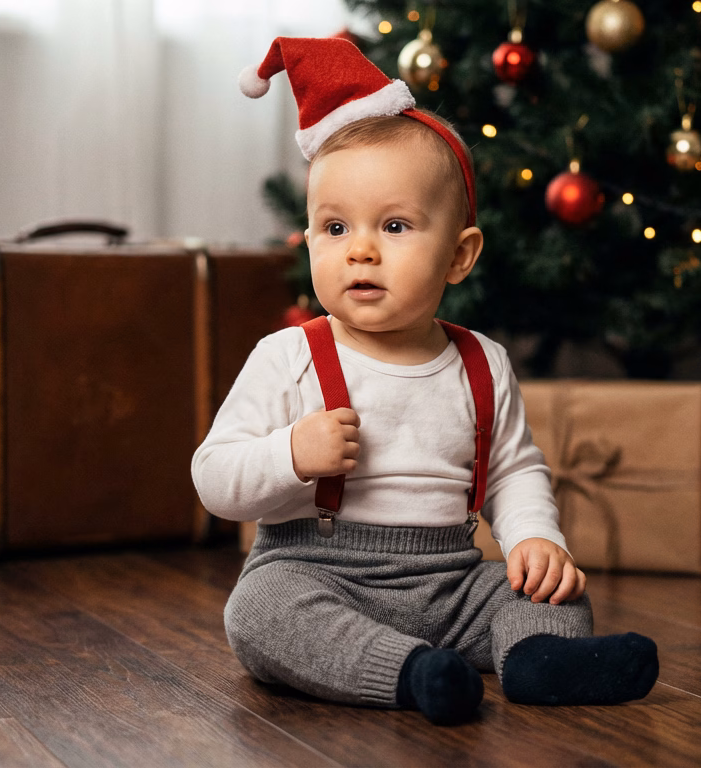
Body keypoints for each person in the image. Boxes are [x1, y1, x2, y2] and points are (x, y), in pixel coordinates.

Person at [192, 37, 658, 726]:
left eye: (395, 225)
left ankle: (541, 661)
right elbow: (214, 477)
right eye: (335, 227)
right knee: (259, 612)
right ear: (309, 241)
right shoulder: (289, 355)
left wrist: (536, 541)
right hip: (318, 573)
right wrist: (290, 454)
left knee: (550, 592)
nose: (361, 249)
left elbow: (513, 471)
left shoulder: (481, 362)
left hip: (451, 582)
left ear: (459, 256)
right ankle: (411, 675)